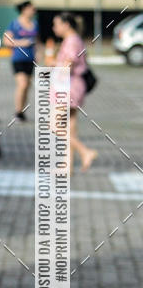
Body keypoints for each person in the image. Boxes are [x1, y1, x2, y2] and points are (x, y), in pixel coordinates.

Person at [51, 12, 98, 172]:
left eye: (56, 24)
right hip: (74, 85)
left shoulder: (71, 41)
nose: (54, 28)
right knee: (70, 126)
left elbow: (68, 65)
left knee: (54, 124)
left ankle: (85, 151)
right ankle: (67, 164)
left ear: (66, 25)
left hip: (69, 86)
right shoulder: (74, 39)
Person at [3, 0, 39, 121]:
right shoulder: (15, 24)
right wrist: (21, 43)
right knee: (22, 84)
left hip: (31, 59)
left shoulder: (35, 24)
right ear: (25, 9)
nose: (34, 11)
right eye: (32, 9)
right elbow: (6, 41)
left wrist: (39, 54)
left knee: (27, 86)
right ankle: (17, 111)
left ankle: (22, 111)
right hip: (18, 59)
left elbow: (37, 42)